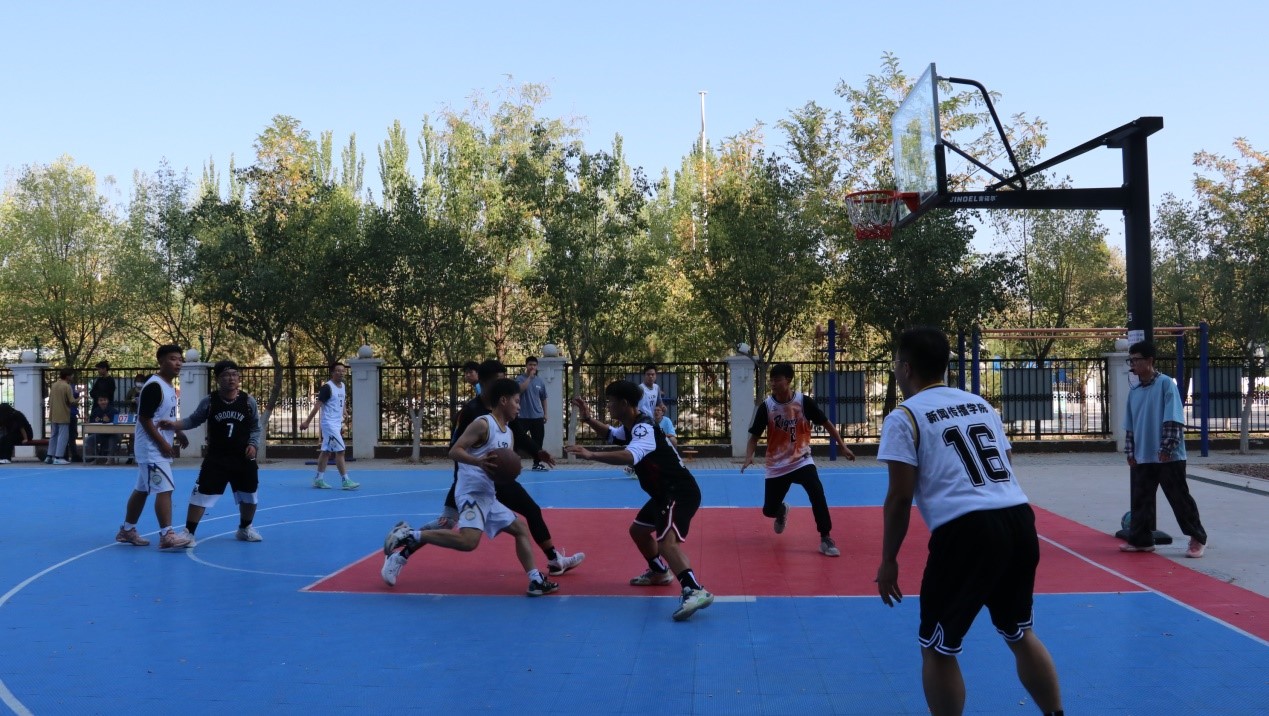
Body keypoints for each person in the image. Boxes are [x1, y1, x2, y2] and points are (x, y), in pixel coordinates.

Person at [875, 327, 1063, 716]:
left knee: (936, 647)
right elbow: (1005, 465)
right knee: (1019, 632)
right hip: (1017, 518)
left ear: (906, 368)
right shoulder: (979, 405)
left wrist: (888, 558)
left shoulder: (905, 416)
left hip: (966, 530)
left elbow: (899, 498)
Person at [381, 378, 561, 597]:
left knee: (520, 529)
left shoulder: (509, 433)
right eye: (516, 401)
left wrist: (512, 471)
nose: (519, 406)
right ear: (503, 400)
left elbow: (502, 468)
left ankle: (535, 581)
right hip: (471, 493)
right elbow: (454, 451)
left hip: (489, 494)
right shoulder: (483, 424)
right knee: (468, 542)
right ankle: (411, 534)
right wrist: (478, 462)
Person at [567, 380, 714, 622]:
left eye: (610, 402)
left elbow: (630, 455)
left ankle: (694, 590)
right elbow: (612, 435)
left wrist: (591, 454)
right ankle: (659, 572)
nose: (608, 406)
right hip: (663, 494)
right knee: (638, 531)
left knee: (667, 543)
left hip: (678, 492)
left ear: (624, 403)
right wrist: (588, 419)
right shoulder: (632, 425)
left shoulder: (643, 428)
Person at [420, 359, 583, 577]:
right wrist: (470, 473)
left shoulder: (505, 409)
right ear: (484, 383)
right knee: (449, 524)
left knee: (531, 511)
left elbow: (519, 435)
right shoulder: (472, 412)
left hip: (498, 478)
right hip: (472, 480)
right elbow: (455, 449)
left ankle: (554, 560)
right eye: (499, 380)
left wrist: (537, 452)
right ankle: (404, 548)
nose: (504, 383)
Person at [741, 362, 855, 557]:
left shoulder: (803, 402)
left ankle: (825, 538)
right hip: (777, 465)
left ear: (788, 380)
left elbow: (827, 423)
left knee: (817, 492)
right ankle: (781, 510)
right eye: (771, 380)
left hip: (802, 460)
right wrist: (749, 456)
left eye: (777, 380)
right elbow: (754, 437)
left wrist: (842, 446)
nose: (773, 383)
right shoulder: (767, 407)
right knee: (768, 510)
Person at [160, 359, 264, 545]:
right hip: (217, 457)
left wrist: (253, 445)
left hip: (243, 457)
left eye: (234, 374)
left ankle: (245, 528)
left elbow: (256, 427)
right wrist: (175, 425)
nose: (231, 378)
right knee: (201, 494)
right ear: (217, 379)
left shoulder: (248, 402)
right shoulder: (210, 401)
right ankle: (189, 533)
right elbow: (194, 420)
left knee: (249, 495)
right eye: (226, 375)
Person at [1120, 340, 1208, 558]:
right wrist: (1130, 452)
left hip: (1169, 456)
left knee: (1179, 499)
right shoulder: (1135, 392)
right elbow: (1130, 427)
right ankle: (1141, 540)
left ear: (1150, 360)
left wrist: (1166, 448)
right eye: (1131, 360)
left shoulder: (1166, 384)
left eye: (1137, 359)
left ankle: (1197, 537)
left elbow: (1173, 419)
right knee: (1141, 500)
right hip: (1143, 456)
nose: (1133, 364)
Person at [114, 344, 193, 550]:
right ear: (161, 361)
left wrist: (177, 431)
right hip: (151, 449)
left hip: (155, 447)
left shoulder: (168, 387)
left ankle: (127, 530)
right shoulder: (154, 386)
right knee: (165, 488)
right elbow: (145, 419)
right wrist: (163, 443)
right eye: (173, 359)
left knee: (142, 490)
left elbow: (163, 417)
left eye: (180, 359)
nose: (178, 363)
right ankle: (167, 535)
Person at [299, 362, 359, 490]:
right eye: (338, 370)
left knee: (326, 451)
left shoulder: (342, 385)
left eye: (343, 371)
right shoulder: (327, 387)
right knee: (341, 450)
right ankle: (345, 480)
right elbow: (317, 406)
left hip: (336, 423)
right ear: (332, 372)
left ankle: (318, 479)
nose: (341, 373)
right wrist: (307, 422)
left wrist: (344, 411)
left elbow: (342, 401)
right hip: (329, 424)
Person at [515, 356, 549, 471]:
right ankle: (514, 462)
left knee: (538, 442)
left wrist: (545, 413)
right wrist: (529, 378)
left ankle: (537, 463)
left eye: (534, 365)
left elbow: (543, 398)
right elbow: (519, 390)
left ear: (537, 366)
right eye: (530, 365)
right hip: (522, 417)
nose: (532, 367)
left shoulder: (540, 381)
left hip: (537, 417)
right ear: (526, 366)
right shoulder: (520, 379)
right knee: (517, 440)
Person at [47, 368, 75, 465]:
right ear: (67, 376)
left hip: (53, 414)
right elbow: (72, 401)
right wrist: (81, 397)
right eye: (72, 375)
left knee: (53, 435)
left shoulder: (54, 385)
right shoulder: (67, 386)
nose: (73, 377)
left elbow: (50, 400)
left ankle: (49, 456)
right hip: (63, 414)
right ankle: (58, 457)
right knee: (63, 436)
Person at [84, 394, 120, 464]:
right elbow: (91, 422)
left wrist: (109, 421)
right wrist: (92, 421)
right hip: (100, 434)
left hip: (113, 434)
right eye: (101, 400)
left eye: (105, 400)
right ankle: (97, 457)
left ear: (108, 401)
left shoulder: (114, 411)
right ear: (98, 402)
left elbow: (118, 422)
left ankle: (110, 458)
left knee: (112, 439)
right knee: (89, 439)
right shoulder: (95, 411)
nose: (103, 402)